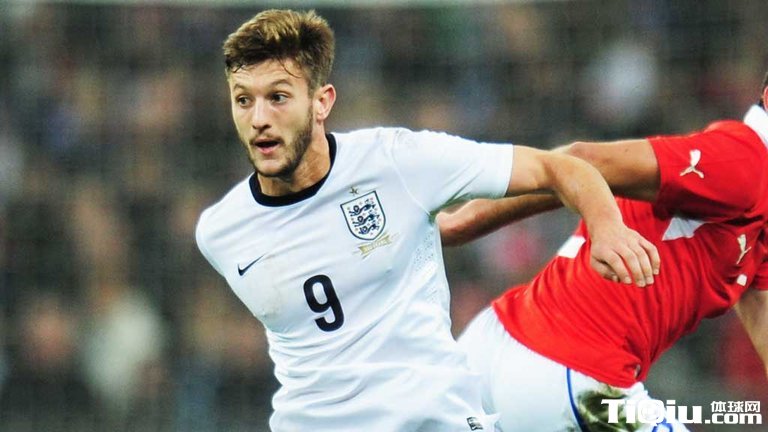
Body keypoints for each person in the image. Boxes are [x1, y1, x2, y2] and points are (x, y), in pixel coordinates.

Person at [194, 9, 658, 432]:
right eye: (243, 100)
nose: (259, 119)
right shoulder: (219, 233)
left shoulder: (397, 161)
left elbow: (559, 168)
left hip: (438, 421)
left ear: (321, 102)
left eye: (278, 97)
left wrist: (607, 227)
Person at [439, 73, 768, 430]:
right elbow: (579, 161)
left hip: (500, 348)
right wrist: (465, 222)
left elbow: (759, 310)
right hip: (568, 373)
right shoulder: (744, 159)